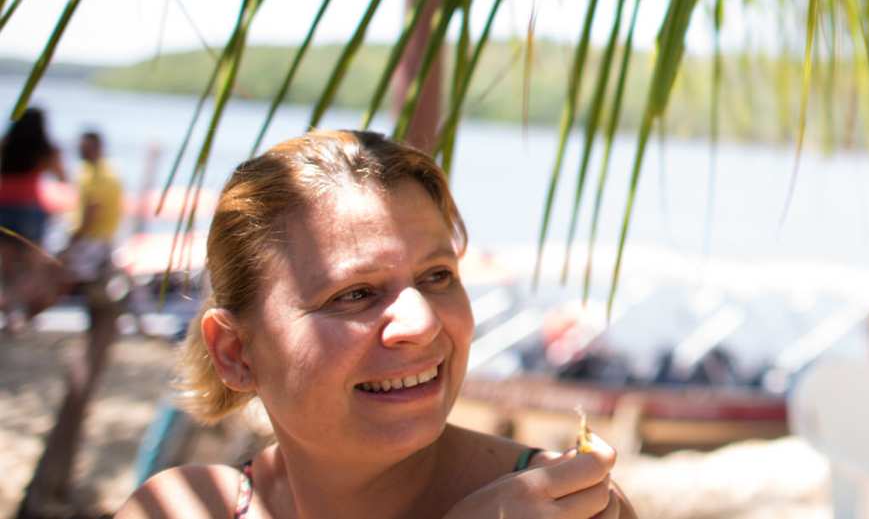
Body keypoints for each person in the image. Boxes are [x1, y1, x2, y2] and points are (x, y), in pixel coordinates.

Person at [117, 129, 635, 519]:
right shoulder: (184, 508)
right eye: (355, 294)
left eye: (438, 275)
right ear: (234, 351)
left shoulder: (567, 507)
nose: (422, 321)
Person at [0, 106, 67, 328]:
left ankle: (8, 310)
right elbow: (62, 177)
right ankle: (17, 308)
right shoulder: (45, 149)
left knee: (6, 266)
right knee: (31, 265)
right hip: (29, 207)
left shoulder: (6, 143)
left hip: (3, 203)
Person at [61, 129, 124, 289]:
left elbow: (92, 210)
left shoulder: (100, 175)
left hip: (93, 237)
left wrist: (76, 237)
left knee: (69, 274)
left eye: (85, 148)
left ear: (97, 148)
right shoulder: (91, 171)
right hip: (96, 236)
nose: (81, 151)